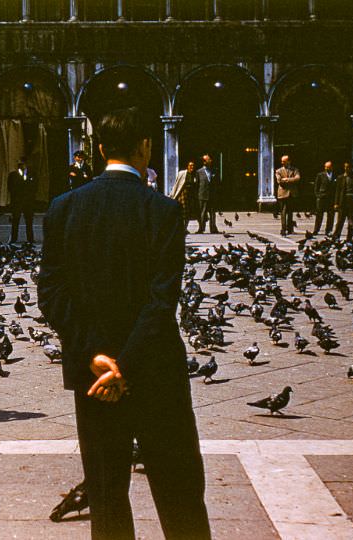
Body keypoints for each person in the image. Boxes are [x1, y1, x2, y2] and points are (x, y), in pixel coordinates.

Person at [37, 107, 210, 540]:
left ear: (100, 150)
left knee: (107, 496)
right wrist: (126, 365)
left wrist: (96, 356)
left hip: (93, 377)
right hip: (155, 371)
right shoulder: (163, 211)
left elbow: (51, 293)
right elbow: (161, 301)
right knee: (179, 493)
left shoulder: (63, 208)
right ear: (144, 148)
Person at [7, 157, 37, 244]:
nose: (22, 166)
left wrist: (30, 197)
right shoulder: (13, 175)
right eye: (20, 164)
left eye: (23, 164)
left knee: (29, 221)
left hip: (28, 201)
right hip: (17, 201)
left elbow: (35, 186)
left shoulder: (32, 174)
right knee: (15, 221)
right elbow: (10, 188)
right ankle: (14, 238)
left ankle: (30, 238)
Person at [275, 155, 301, 236]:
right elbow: (279, 181)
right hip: (282, 194)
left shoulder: (295, 170)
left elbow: (298, 178)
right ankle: (283, 229)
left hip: (292, 193)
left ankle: (290, 229)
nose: (282, 163)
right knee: (283, 212)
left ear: (289, 161)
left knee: (290, 212)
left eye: (284, 161)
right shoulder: (278, 171)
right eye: (282, 161)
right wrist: (291, 180)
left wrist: (286, 179)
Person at [170, 160, 197, 232]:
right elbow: (177, 184)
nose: (192, 167)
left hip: (190, 195)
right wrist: (173, 194)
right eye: (190, 165)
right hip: (182, 194)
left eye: (193, 166)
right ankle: (181, 228)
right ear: (187, 166)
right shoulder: (182, 173)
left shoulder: (194, 175)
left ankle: (185, 228)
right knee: (182, 212)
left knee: (188, 213)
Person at [195, 154, 219, 234]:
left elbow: (217, 183)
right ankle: (201, 228)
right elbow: (197, 184)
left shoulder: (214, 170)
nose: (209, 161)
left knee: (212, 213)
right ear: (204, 162)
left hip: (212, 195)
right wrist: (197, 195)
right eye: (207, 160)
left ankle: (213, 228)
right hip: (202, 195)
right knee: (202, 212)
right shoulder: (199, 172)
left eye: (209, 159)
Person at [313, 161, 337, 235]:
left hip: (331, 198)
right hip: (322, 197)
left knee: (331, 215)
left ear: (332, 167)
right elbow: (316, 186)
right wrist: (318, 195)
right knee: (319, 214)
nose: (326, 168)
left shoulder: (336, 175)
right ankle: (316, 230)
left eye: (328, 167)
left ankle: (328, 230)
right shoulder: (320, 175)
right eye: (325, 167)